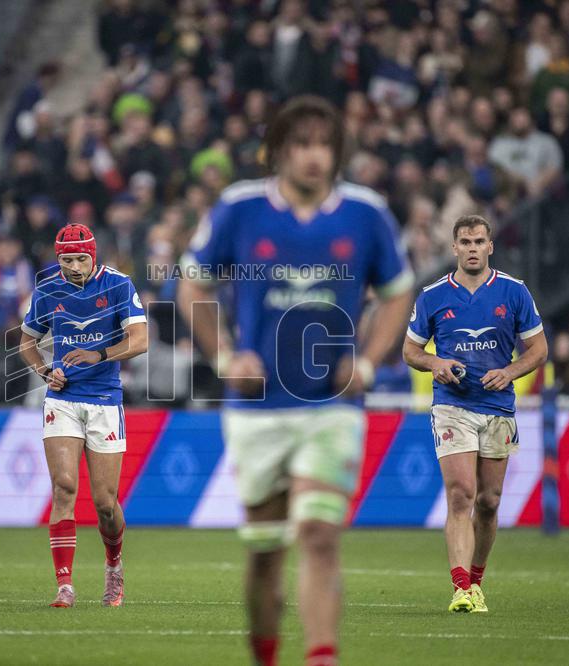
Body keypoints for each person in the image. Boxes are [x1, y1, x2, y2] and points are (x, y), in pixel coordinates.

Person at [177, 95, 415, 666]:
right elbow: (191, 286)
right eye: (301, 144)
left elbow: (398, 291)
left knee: (318, 534)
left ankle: (321, 656)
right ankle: (266, 655)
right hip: (257, 409)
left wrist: (368, 360)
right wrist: (227, 356)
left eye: (325, 145)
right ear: (278, 151)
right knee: (264, 552)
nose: (314, 156)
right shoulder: (238, 208)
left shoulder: (366, 212)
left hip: (331, 407)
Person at [402, 214, 548, 613]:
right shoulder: (432, 296)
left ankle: (477, 580)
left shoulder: (514, 292)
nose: (471, 248)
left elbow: (538, 350)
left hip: (498, 407)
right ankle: (461, 588)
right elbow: (410, 351)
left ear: (490, 246)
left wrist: (510, 371)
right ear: (454, 248)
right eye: (464, 242)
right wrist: (436, 365)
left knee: (489, 500)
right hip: (453, 406)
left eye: (478, 241)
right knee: (461, 493)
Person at [18, 223, 148, 608]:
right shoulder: (47, 290)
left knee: (106, 503)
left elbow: (140, 341)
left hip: (105, 401)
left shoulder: (118, 285)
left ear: (94, 256)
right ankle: (64, 586)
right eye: (66, 259)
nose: (74, 266)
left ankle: (114, 565)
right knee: (64, 487)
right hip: (63, 401)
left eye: (80, 258)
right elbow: (27, 341)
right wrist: (44, 371)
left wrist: (100, 355)